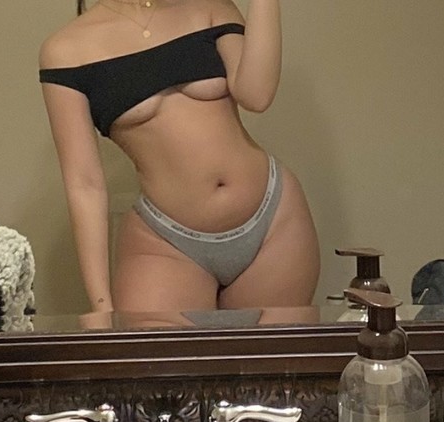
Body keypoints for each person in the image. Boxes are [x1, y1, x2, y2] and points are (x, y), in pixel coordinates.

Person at [39, 0, 320, 316]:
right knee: (156, 349)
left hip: (271, 218)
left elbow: (257, 95)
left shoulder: (211, 6)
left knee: (275, 349)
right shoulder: (66, 50)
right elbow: (85, 184)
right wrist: (101, 307)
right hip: (165, 241)